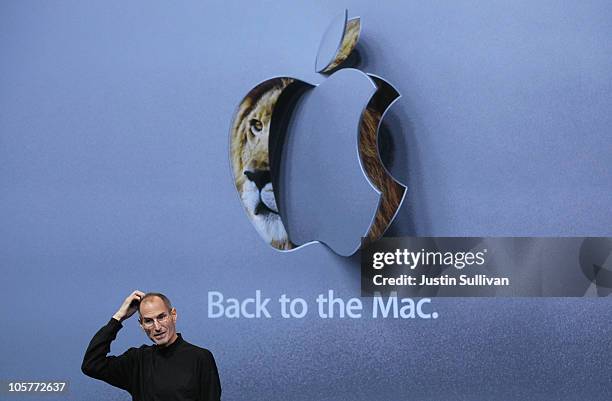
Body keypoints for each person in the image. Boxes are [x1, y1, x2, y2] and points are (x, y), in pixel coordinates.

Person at [82, 290, 221, 401]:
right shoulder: (137, 361)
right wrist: (118, 317)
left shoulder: (200, 357)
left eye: (161, 317)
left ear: (173, 315)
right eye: (148, 321)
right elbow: (92, 364)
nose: (157, 327)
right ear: (141, 325)